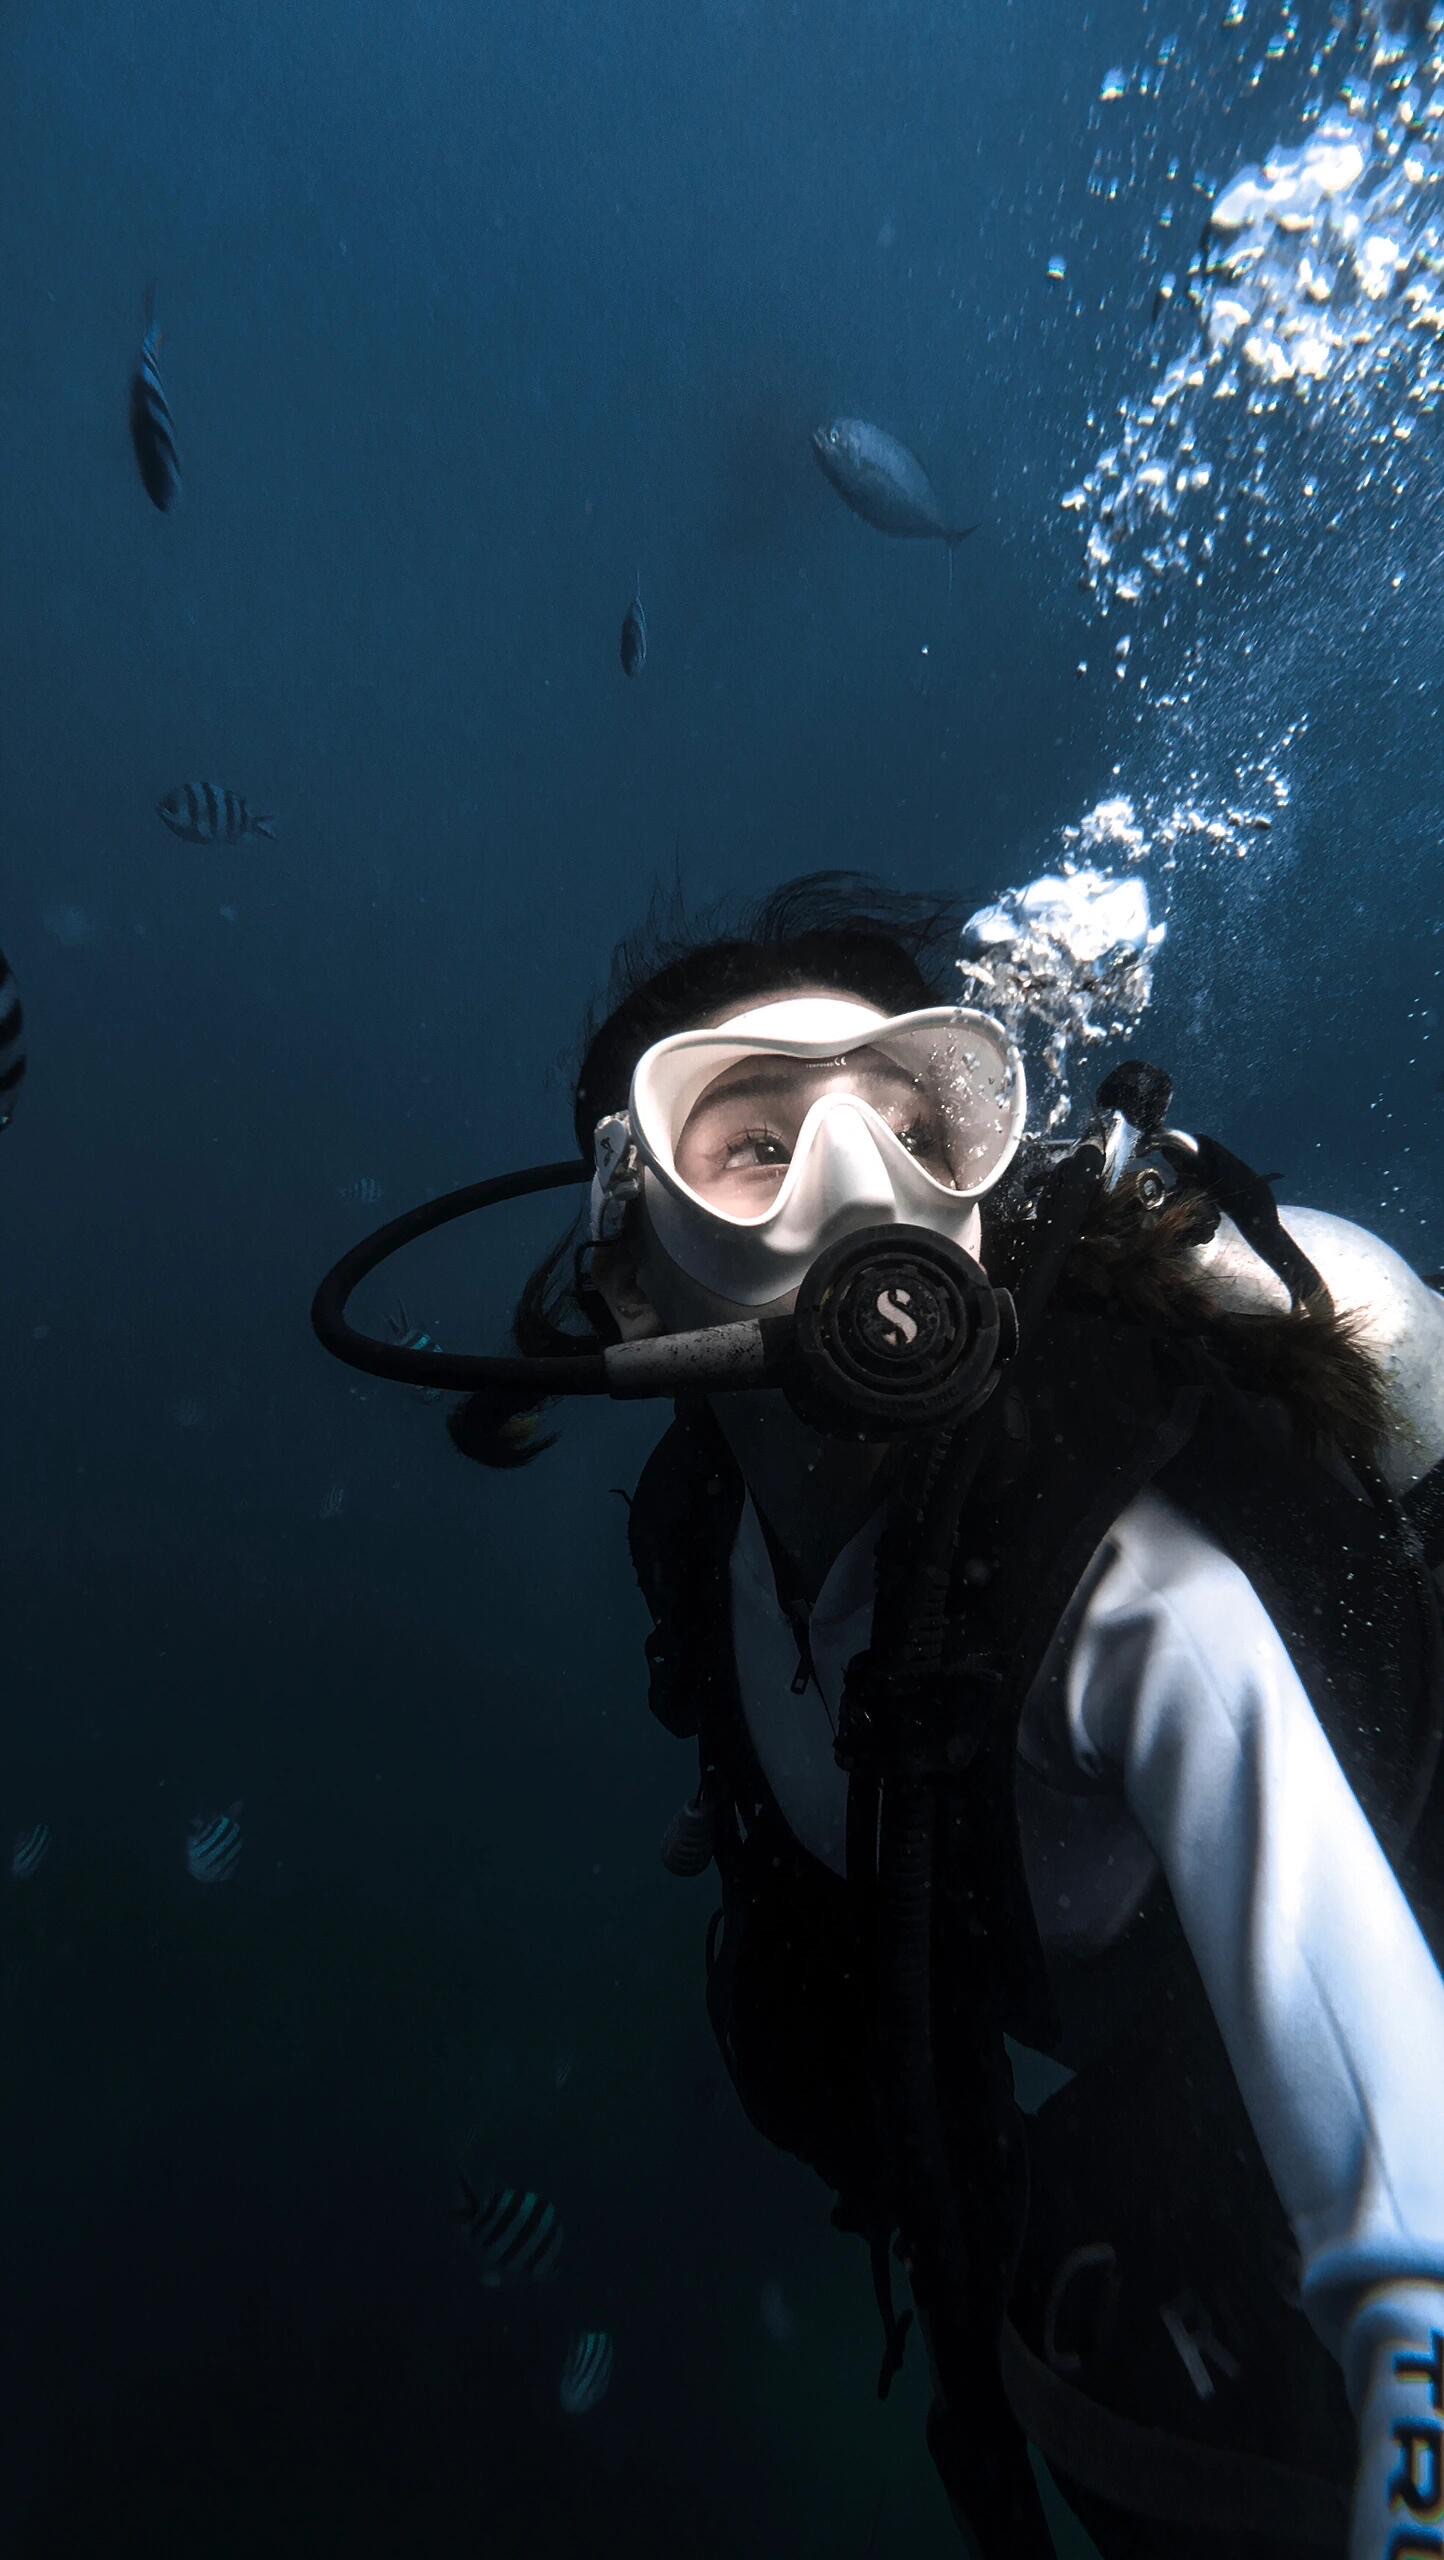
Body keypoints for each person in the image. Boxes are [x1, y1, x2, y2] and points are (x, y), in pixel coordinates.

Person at [349, 873, 1444, 2558]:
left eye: (918, 1119)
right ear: (629, 1274)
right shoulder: (701, 1528)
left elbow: (1404, 2210)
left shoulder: (1118, 1588)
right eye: (755, 1141)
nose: (864, 1190)